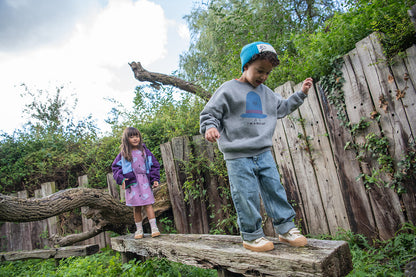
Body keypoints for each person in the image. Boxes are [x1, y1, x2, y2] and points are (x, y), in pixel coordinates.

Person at [200, 41, 313, 252]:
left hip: (263, 153)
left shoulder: (267, 93)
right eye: (259, 71)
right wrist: (209, 127)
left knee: (274, 189)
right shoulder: (228, 90)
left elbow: (283, 107)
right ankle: (252, 235)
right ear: (245, 66)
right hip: (237, 156)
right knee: (246, 194)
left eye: (267, 73)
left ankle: (286, 228)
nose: (263, 77)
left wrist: (301, 94)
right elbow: (210, 113)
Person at [112, 127, 161, 239]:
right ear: (126, 139)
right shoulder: (123, 154)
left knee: (148, 204)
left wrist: (154, 179)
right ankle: (139, 230)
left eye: (137, 136)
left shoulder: (145, 152)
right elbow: (116, 168)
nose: (135, 139)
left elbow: (154, 165)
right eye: (131, 136)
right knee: (136, 207)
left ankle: (154, 228)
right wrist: (122, 179)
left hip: (144, 181)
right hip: (132, 183)